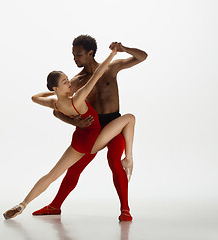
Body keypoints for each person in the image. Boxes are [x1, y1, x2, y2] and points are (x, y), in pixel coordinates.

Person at [3, 43, 136, 220]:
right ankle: (129, 159)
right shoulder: (78, 98)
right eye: (65, 82)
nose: (69, 82)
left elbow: (35, 98)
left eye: (67, 79)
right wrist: (112, 54)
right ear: (57, 88)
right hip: (93, 140)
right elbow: (97, 74)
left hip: (78, 141)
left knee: (51, 175)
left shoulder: (55, 103)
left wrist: (55, 92)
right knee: (130, 118)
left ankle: (23, 204)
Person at [32, 35, 147, 221]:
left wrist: (124, 49)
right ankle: (55, 206)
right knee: (74, 169)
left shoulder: (110, 68)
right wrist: (74, 122)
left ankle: (125, 210)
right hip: (92, 127)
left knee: (115, 162)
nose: (74, 59)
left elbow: (143, 57)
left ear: (90, 53)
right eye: (73, 55)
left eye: (78, 55)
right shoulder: (76, 81)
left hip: (114, 124)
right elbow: (57, 107)